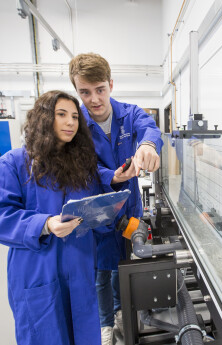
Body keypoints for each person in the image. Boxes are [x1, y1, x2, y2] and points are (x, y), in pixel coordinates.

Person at [69, 53, 163, 343]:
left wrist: (147, 145)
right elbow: (80, 167)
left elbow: (150, 128)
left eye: (100, 89)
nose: (94, 99)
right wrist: (110, 176)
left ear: (110, 84)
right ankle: (105, 324)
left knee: (124, 266)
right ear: (77, 91)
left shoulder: (129, 113)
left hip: (129, 207)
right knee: (102, 271)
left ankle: (122, 314)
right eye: (85, 92)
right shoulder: (78, 125)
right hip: (97, 211)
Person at [0, 90, 106, 345]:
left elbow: (91, 208)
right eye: (61, 115)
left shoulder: (82, 166)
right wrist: (45, 224)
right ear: (44, 118)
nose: (70, 122)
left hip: (79, 266)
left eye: (74, 117)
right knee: (45, 335)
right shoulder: (14, 163)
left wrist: (106, 211)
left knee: (83, 335)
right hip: (37, 271)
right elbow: (3, 216)